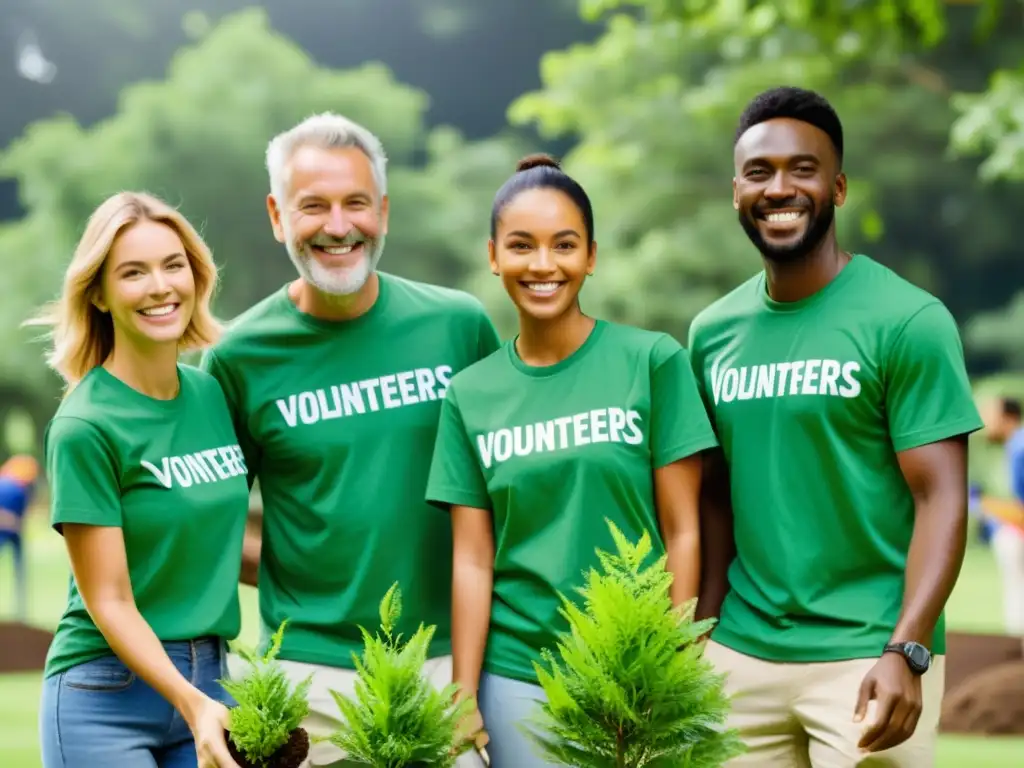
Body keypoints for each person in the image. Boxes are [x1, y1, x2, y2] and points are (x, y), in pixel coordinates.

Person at [688, 86, 984, 767]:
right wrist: (701, 635)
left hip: (867, 658)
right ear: (736, 190)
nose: (780, 188)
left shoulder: (907, 321)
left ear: (839, 187)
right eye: (759, 172)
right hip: (741, 656)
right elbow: (715, 497)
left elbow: (940, 496)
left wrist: (907, 649)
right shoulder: (711, 334)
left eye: (803, 168)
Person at [199, 112, 500, 768]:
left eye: (356, 203)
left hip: (447, 668)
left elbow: (505, 490)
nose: (339, 226)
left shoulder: (460, 326)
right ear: (278, 217)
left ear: (384, 212)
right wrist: (305, 574)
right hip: (307, 679)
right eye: (314, 206)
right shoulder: (236, 359)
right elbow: (207, 524)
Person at [424, 154, 719, 767]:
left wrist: (668, 664)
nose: (542, 265)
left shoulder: (653, 362)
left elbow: (683, 529)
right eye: (521, 245)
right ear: (493, 256)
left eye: (563, 245)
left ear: (590, 255)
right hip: (518, 679)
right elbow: (474, 559)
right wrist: (463, 691)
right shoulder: (470, 395)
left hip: (634, 673)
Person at [29, 191, 247, 768]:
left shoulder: (210, 395)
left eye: (173, 265)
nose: (160, 287)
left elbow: (217, 546)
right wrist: (191, 702)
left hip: (212, 676)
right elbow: (109, 599)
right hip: (106, 696)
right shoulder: (84, 425)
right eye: (133, 272)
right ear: (98, 294)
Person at [978, 396, 1024, 635]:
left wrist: (987, 506)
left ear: (1007, 417)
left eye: (990, 414)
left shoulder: (1019, 447)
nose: (985, 420)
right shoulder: (1015, 445)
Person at [0, 454, 40, 621]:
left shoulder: (17, 488)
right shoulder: (9, 487)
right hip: (6, 532)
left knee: (20, 568)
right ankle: (21, 609)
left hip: (14, 533)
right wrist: (13, 522)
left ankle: (21, 610)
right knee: (20, 569)